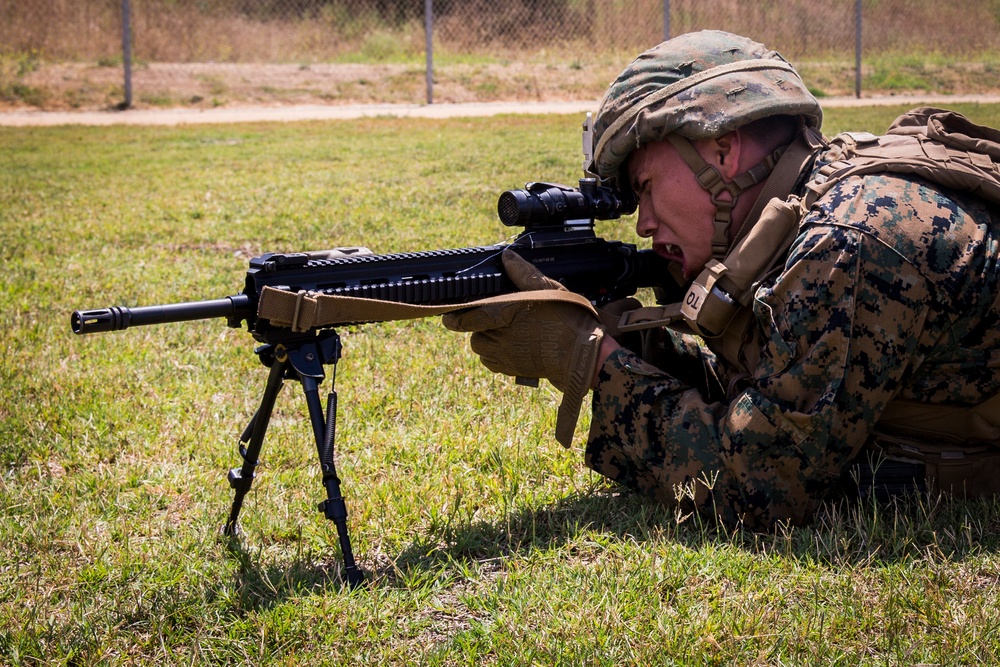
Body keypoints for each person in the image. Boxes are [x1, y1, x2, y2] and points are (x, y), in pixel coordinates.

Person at [443, 30, 1000, 528]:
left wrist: (595, 362)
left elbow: (758, 486)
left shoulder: (848, 241)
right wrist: (636, 344)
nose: (643, 222)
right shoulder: (822, 198)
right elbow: (769, 392)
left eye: (646, 186)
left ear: (723, 150)